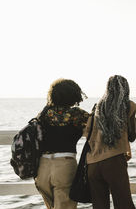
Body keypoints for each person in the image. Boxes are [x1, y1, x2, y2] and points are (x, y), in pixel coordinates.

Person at [86, 75, 136, 209]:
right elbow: (132, 136)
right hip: (114, 162)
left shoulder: (97, 107)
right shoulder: (127, 106)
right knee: (123, 204)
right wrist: (135, 123)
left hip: (92, 164)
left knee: (99, 206)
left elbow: (88, 132)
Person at [35, 79, 90, 209]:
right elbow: (98, 125)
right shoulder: (76, 114)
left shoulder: (44, 114)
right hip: (64, 166)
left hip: (42, 169)